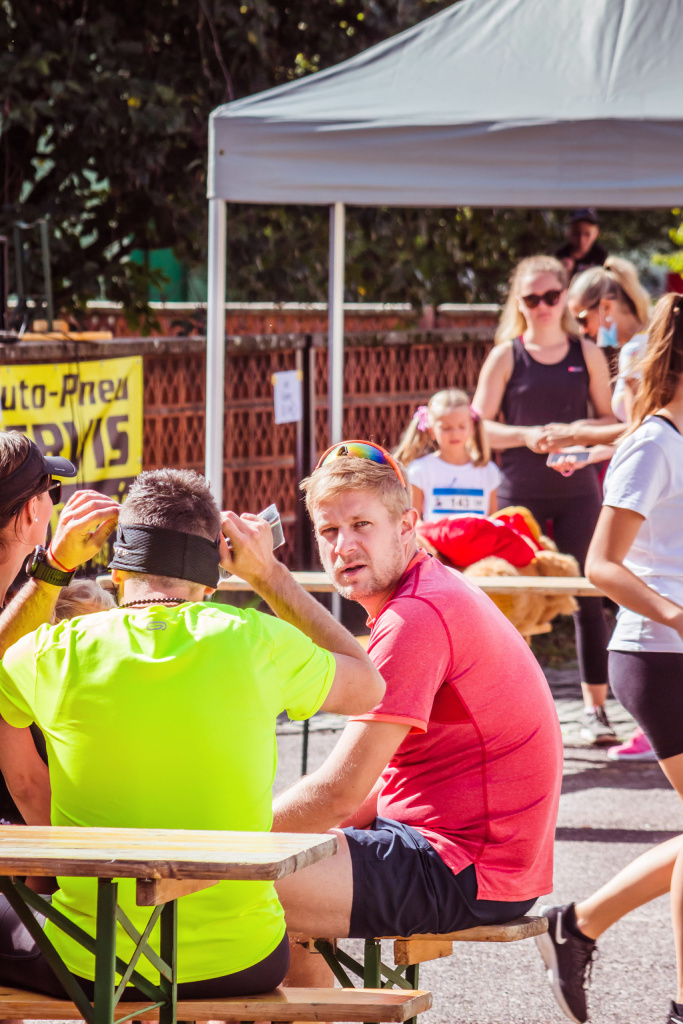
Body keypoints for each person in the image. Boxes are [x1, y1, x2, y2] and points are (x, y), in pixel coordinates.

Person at [0, 467, 384, 999]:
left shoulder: (50, 651)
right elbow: (369, 684)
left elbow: (24, 780)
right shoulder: (258, 641)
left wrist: (55, 568)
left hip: (96, 961)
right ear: (210, 581)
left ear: (117, 572)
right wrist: (269, 575)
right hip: (244, 958)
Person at [267, 441, 563, 987]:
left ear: (406, 525)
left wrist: (223, 844)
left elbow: (339, 793)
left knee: (227, 881)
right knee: (268, 869)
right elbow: (364, 790)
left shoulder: (415, 617)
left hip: (463, 866)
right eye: (330, 531)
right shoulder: (428, 590)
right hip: (462, 854)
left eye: (361, 524)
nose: (344, 545)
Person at [535, 294, 683, 1024]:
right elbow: (601, 564)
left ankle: (577, 925)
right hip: (659, 658)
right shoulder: (652, 444)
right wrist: (677, 615)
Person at [472, 255, 618, 744]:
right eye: (531, 298)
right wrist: (528, 435)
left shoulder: (587, 352)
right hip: (520, 494)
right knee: (510, 601)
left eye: (551, 297)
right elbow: (479, 427)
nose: (542, 306)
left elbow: (612, 419)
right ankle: (514, 709)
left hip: (578, 492)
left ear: (564, 298)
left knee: (588, 597)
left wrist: (574, 434)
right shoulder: (506, 355)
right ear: (519, 303)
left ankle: (596, 711)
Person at [0, 430, 120, 827]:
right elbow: (27, 785)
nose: (56, 503)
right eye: (52, 491)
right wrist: (55, 566)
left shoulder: (17, 601)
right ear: (31, 511)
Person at [393, 389, 500, 520]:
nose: (455, 433)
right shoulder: (420, 470)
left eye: (462, 426)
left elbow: (493, 521)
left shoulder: (488, 471)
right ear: (431, 431)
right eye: (446, 428)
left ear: (471, 426)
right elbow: (413, 522)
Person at [555, 209, 607, 279]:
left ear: (596, 233)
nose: (581, 239)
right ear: (569, 232)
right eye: (577, 234)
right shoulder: (559, 256)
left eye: (587, 234)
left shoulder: (602, 256)